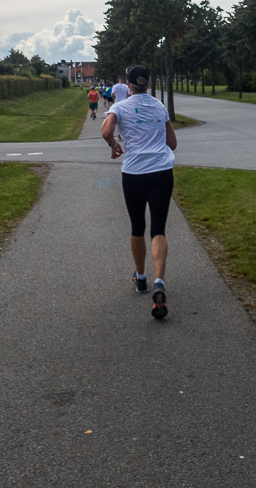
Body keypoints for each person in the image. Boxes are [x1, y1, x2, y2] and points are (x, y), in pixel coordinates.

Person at [101, 65, 177, 320]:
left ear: (129, 85)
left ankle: (141, 278)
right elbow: (172, 143)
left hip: (134, 173)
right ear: (148, 82)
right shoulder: (159, 105)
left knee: (137, 227)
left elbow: (106, 131)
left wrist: (114, 146)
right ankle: (159, 283)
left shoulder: (120, 107)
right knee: (158, 228)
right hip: (161, 171)